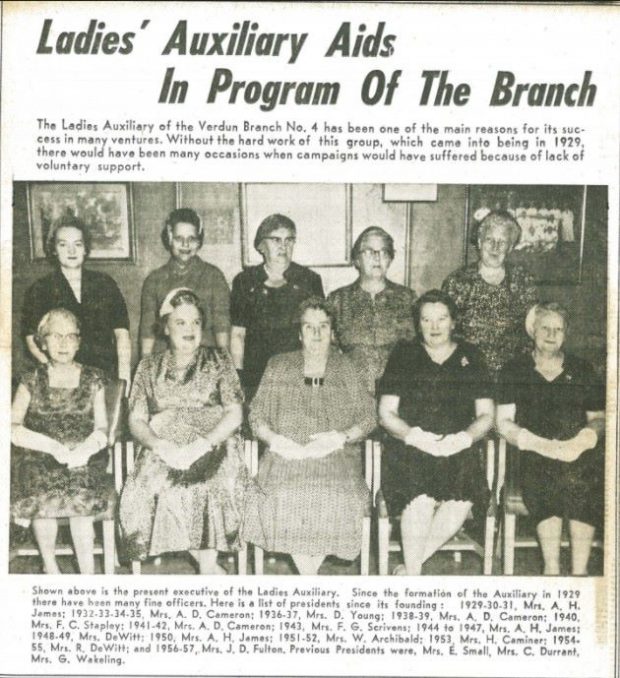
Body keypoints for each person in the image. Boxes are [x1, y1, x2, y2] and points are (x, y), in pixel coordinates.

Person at [243, 297, 376, 575]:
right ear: (299, 332)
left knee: (335, 497)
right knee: (285, 494)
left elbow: (369, 416)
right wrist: (277, 441)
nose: (316, 334)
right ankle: (310, 579)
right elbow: (256, 415)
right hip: (285, 457)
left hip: (335, 457)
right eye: (309, 327)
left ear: (332, 331)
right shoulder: (278, 365)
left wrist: (341, 437)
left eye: (323, 327)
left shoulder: (346, 367)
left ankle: (307, 579)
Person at [120, 289, 247, 574]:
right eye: (180, 322)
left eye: (195, 322)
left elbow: (235, 412)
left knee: (210, 487)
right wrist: (159, 445)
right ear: (165, 327)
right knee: (148, 487)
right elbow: (136, 419)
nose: (190, 329)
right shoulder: (148, 366)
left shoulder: (219, 359)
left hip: (214, 442)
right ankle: (211, 572)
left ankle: (207, 570)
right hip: (163, 444)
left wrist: (202, 445)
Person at [378, 290, 494, 575]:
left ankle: (409, 571)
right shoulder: (404, 354)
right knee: (419, 499)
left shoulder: (471, 355)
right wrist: (415, 436)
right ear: (418, 324)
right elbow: (386, 413)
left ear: (453, 322)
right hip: (410, 447)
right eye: (426, 320)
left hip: (457, 446)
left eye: (441, 319)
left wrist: (463, 438)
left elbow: (487, 414)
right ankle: (414, 577)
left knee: (460, 499)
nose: (434, 327)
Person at [497, 302, 605, 575]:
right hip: (533, 450)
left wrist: (582, 441)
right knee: (544, 477)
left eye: (559, 329)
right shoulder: (514, 370)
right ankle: (552, 569)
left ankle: (580, 572)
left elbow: (600, 418)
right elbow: (503, 422)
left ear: (566, 334)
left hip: (577, 450)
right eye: (545, 327)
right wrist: (537, 443)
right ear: (532, 330)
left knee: (584, 480)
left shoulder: (582, 369)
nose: (551, 334)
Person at [11, 308, 114, 574]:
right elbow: (11, 427)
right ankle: (51, 568)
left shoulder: (94, 378)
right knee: (41, 491)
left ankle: (87, 576)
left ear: (79, 342)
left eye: (71, 337)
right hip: (39, 457)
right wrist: (52, 447)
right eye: (55, 336)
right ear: (41, 342)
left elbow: (103, 427)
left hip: (84, 458)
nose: (64, 344)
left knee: (79, 499)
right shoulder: (29, 379)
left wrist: (85, 450)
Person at [22, 215, 130, 382]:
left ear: (85, 249)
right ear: (54, 250)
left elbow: (122, 335)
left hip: (104, 375)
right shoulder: (39, 289)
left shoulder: (105, 284)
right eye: (63, 244)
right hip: (59, 376)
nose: (71, 251)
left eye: (78, 244)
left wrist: (124, 380)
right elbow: (31, 340)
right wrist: (55, 371)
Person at [230, 213, 324, 399]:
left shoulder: (309, 280)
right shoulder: (244, 281)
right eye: (275, 240)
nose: (283, 246)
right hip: (256, 372)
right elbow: (238, 334)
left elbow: (319, 333)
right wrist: (239, 377)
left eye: (289, 240)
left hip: (298, 371)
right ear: (261, 246)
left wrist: (316, 375)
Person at [442, 210, 538, 378]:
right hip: (467, 372)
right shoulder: (457, 281)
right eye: (489, 240)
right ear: (479, 242)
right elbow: (445, 332)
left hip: (513, 374)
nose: (495, 247)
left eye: (502, 242)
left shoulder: (523, 280)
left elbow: (533, 330)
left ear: (510, 248)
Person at [328, 226, 417, 393]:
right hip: (350, 394)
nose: (377, 257)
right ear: (356, 260)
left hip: (400, 393)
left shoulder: (408, 299)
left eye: (384, 252)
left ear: (390, 259)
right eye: (369, 251)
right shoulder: (338, 300)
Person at [139, 207, 231, 357]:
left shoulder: (214, 277)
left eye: (192, 239)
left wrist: (226, 367)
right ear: (169, 238)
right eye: (179, 239)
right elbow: (147, 331)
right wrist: (146, 370)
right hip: (165, 360)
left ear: (199, 241)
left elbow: (222, 326)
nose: (185, 245)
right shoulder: (154, 280)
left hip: (205, 360)